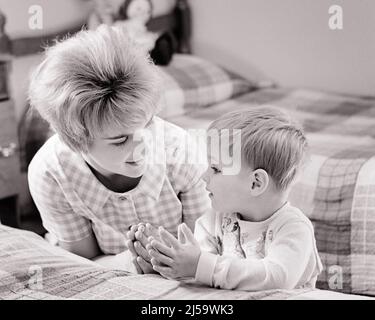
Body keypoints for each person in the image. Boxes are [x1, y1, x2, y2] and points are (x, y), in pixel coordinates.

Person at [27, 25, 211, 273]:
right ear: (75, 140)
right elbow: (83, 262)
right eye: (120, 139)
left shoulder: (180, 151)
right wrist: (131, 263)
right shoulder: (51, 173)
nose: (143, 144)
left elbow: (207, 248)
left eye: (147, 123)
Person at [146, 107, 323, 290]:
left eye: (216, 169)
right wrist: (167, 263)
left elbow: (278, 278)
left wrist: (200, 265)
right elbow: (202, 279)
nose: (203, 176)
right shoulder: (212, 221)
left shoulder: (293, 228)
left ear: (255, 183)